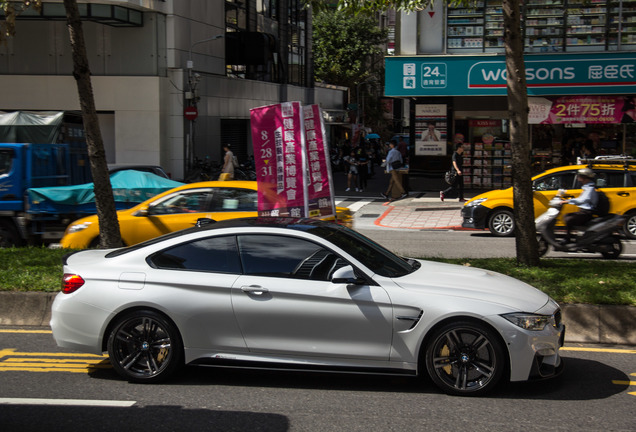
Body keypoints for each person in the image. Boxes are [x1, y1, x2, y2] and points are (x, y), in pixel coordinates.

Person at [562, 168, 598, 244]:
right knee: (566, 216)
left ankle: (568, 238)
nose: (578, 178)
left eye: (579, 176)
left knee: (569, 219)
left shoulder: (590, 188)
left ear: (584, 178)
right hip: (583, 211)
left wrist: (567, 201)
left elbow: (583, 200)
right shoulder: (586, 187)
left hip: (587, 212)